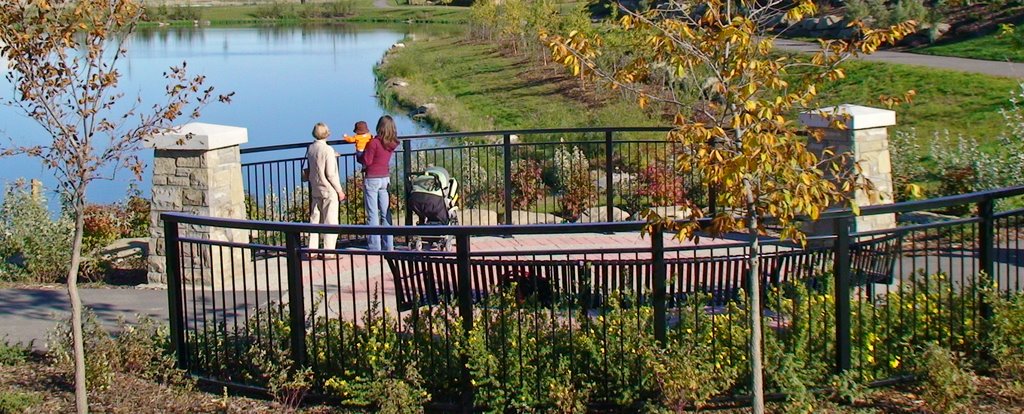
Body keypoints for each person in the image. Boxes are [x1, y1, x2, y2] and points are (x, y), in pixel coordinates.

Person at [359, 115, 399, 251]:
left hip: (372, 179)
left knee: (372, 213)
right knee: (385, 212)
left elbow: (367, 161)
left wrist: (360, 154)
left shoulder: (374, 143)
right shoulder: (392, 144)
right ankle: (389, 245)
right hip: (385, 179)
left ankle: (374, 246)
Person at [306, 122, 345, 253]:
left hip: (315, 188)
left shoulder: (310, 148)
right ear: (326, 133)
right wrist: (340, 191)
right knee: (330, 221)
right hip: (328, 190)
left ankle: (312, 249)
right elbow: (331, 174)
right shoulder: (328, 150)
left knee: (315, 219)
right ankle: (328, 251)